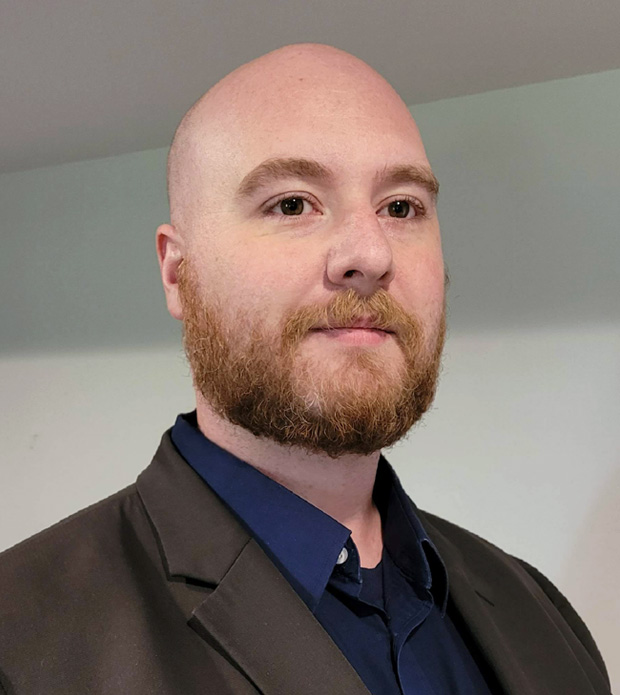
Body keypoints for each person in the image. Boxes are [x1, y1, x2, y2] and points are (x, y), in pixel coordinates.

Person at [0, 43, 611, 695]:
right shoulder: (20, 646)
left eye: (400, 207)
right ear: (177, 272)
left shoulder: (543, 615)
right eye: (292, 204)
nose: (370, 255)